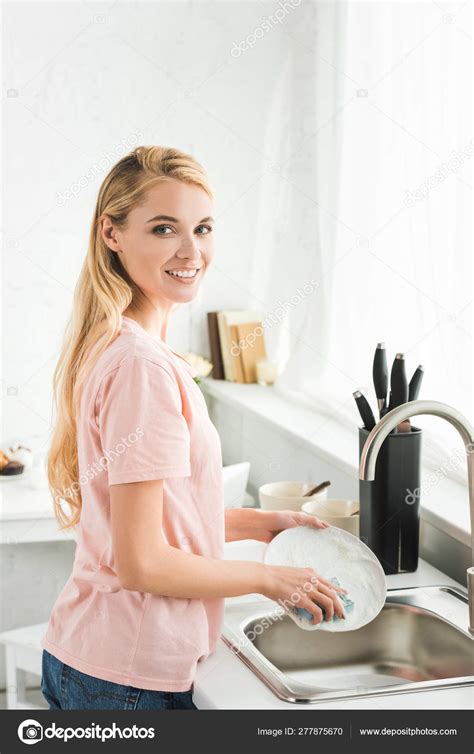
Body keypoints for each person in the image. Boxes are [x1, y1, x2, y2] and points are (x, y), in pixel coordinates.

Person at [40, 145, 346, 710]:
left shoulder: (121, 344)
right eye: (164, 229)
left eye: (202, 228)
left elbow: (152, 520)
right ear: (112, 233)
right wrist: (268, 581)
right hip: (128, 677)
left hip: (92, 658)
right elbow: (143, 562)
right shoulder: (142, 369)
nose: (191, 251)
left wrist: (260, 524)